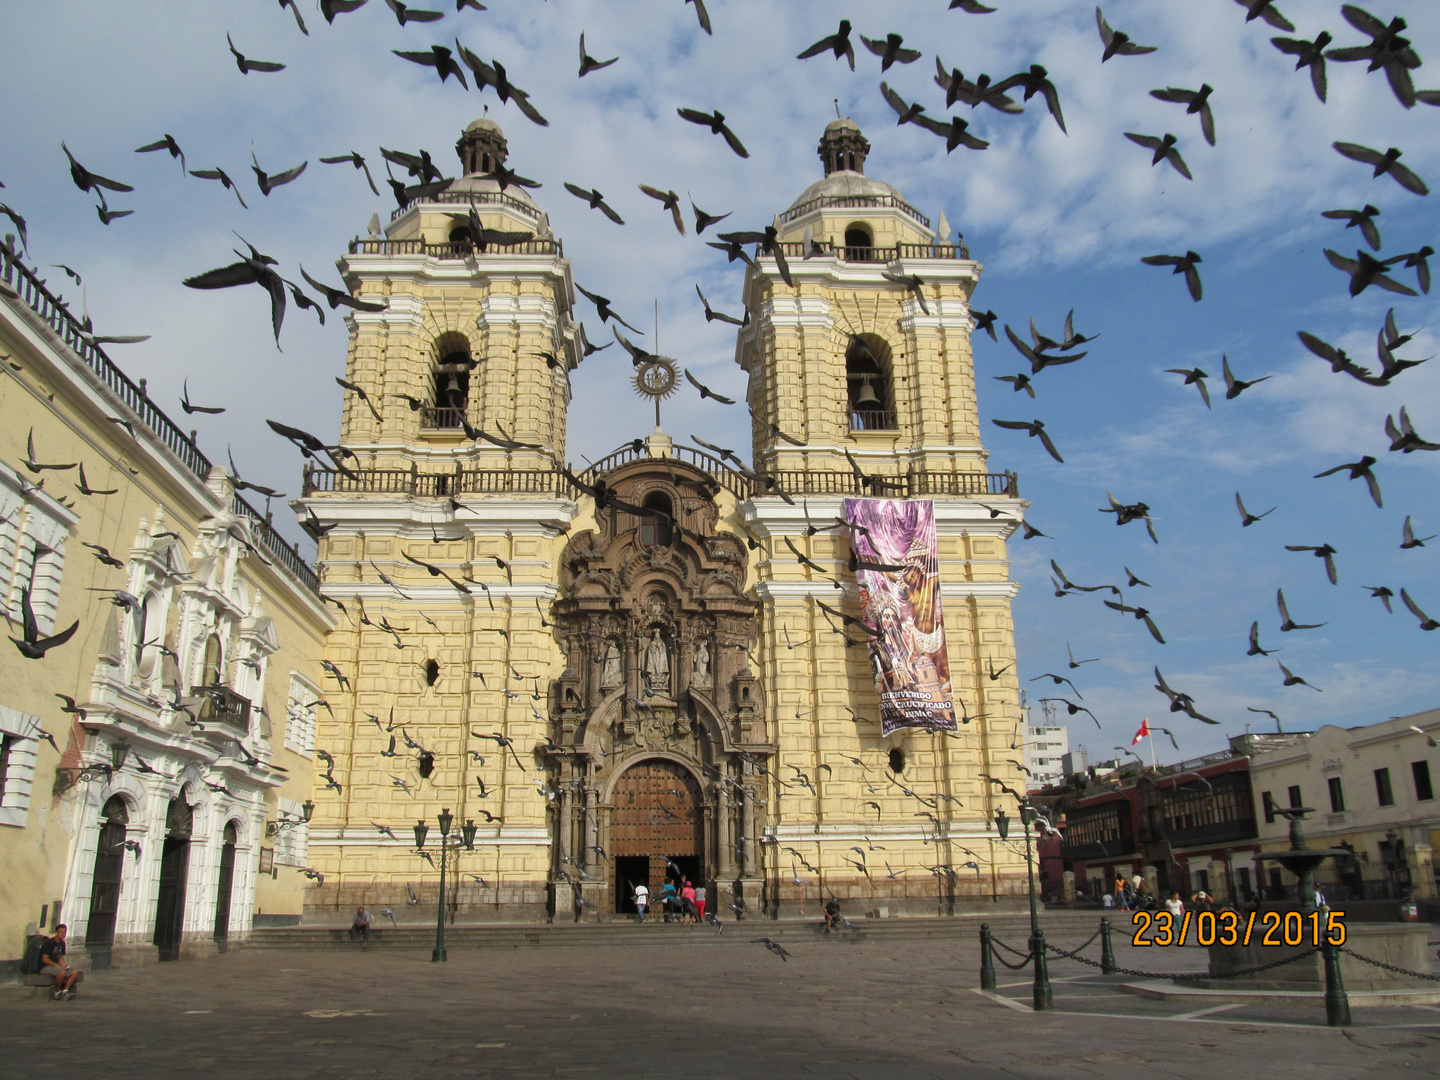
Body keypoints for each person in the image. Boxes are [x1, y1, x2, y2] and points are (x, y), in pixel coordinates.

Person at [39, 925, 80, 1000]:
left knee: (75, 971)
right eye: (60, 932)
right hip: (45, 967)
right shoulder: (49, 943)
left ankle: (65, 991)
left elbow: (60, 956)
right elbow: (44, 959)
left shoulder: (62, 943)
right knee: (62, 972)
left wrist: (64, 965)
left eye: (64, 932)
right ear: (56, 932)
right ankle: (57, 992)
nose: (63, 934)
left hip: (56, 966)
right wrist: (57, 965)